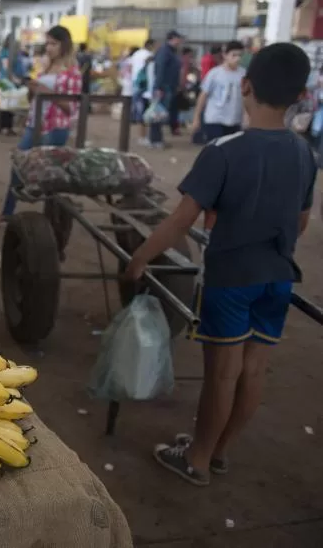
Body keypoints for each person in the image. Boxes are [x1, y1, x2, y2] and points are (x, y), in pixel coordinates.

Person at [123, 43, 315, 487]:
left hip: (230, 277)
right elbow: (301, 221)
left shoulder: (224, 151)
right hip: (279, 276)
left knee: (223, 374)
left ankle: (197, 458)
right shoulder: (305, 153)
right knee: (254, 370)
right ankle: (220, 450)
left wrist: (139, 258)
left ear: (244, 86)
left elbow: (179, 221)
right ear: (301, 95)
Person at [0, 26, 82, 228]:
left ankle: (52, 221)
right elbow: (35, 98)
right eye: (47, 43)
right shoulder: (46, 67)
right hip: (35, 123)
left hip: (54, 127)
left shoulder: (72, 72)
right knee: (19, 165)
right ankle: (7, 213)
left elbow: (71, 107)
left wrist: (45, 91)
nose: (49, 48)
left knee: (51, 174)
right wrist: (32, 89)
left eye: (53, 43)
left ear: (64, 45)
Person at [192, 40, 246, 143]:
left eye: (240, 55)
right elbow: (203, 95)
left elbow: (245, 97)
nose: (237, 59)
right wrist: (197, 117)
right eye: (233, 55)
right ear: (225, 55)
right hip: (215, 118)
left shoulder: (243, 74)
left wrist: (246, 116)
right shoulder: (215, 74)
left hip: (234, 120)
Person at [150, 30, 185, 148]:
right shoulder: (164, 51)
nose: (180, 41)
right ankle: (155, 139)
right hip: (163, 87)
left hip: (169, 87)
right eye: (178, 39)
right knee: (157, 114)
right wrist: (158, 87)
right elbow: (160, 69)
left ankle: (158, 138)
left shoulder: (172, 52)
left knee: (162, 114)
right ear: (173, 38)